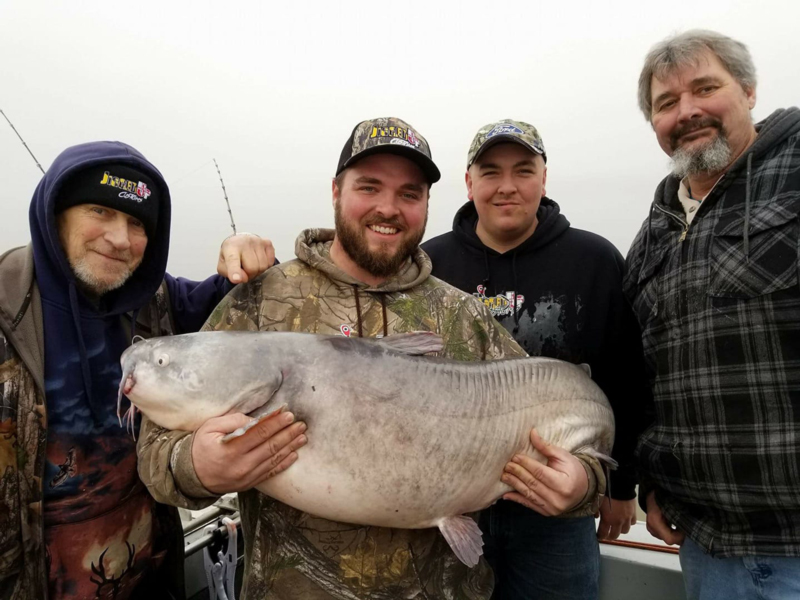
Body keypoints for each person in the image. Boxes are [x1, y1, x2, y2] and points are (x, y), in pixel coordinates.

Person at [137, 117, 608, 600]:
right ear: (337, 190)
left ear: (427, 204)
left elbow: (573, 436)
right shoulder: (262, 300)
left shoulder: (462, 314)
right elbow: (156, 450)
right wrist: (198, 467)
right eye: (370, 187)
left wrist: (582, 487)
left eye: (409, 193)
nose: (389, 207)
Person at [0, 140, 276, 599]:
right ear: (55, 214)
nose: (119, 238)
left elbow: (244, 297)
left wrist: (246, 251)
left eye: (136, 222)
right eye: (99, 211)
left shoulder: (156, 302)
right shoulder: (8, 309)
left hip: (151, 578)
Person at [422, 120, 649, 599]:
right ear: (469, 182)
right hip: (451, 501)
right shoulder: (427, 265)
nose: (507, 186)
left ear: (544, 179)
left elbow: (627, 376)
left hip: (556, 511)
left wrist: (621, 485)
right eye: (490, 172)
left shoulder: (594, 259)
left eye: (523, 171)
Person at [625, 29, 800, 599]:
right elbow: (646, 379)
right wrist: (649, 480)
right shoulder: (650, 237)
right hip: (706, 548)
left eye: (705, 88)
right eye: (666, 103)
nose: (687, 111)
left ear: (748, 90)